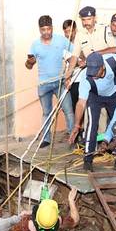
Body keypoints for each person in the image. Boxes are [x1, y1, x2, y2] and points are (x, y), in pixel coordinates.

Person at [26, 15, 76, 148]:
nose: (46, 32)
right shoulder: (35, 45)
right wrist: (29, 62)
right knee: (46, 113)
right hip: (43, 84)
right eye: (43, 29)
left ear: (52, 28)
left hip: (61, 82)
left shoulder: (61, 40)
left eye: (48, 29)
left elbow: (75, 54)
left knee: (68, 110)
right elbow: (29, 65)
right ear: (39, 29)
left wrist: (69, 72)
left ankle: (72, 138)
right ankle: (46, 139)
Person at [66, 6, 114, 83]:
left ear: (95, 18)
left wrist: (95, 54)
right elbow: (75, 56)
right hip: (92, 72)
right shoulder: (79, 35)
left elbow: (115, 49)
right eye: (83, 20)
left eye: (89, 19)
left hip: (108, 69)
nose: (86, 22)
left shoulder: (105, 30)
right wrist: (68, 74)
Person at [63, 19, 80, 111]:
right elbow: (72, 59)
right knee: (73, 107)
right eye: (66, 32)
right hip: (71, 80)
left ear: (75, 30)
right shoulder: (65, 45)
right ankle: (75, 125)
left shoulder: (82, 41)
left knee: (83, 106)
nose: (68, 34)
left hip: (82, 79)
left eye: (70, 31)